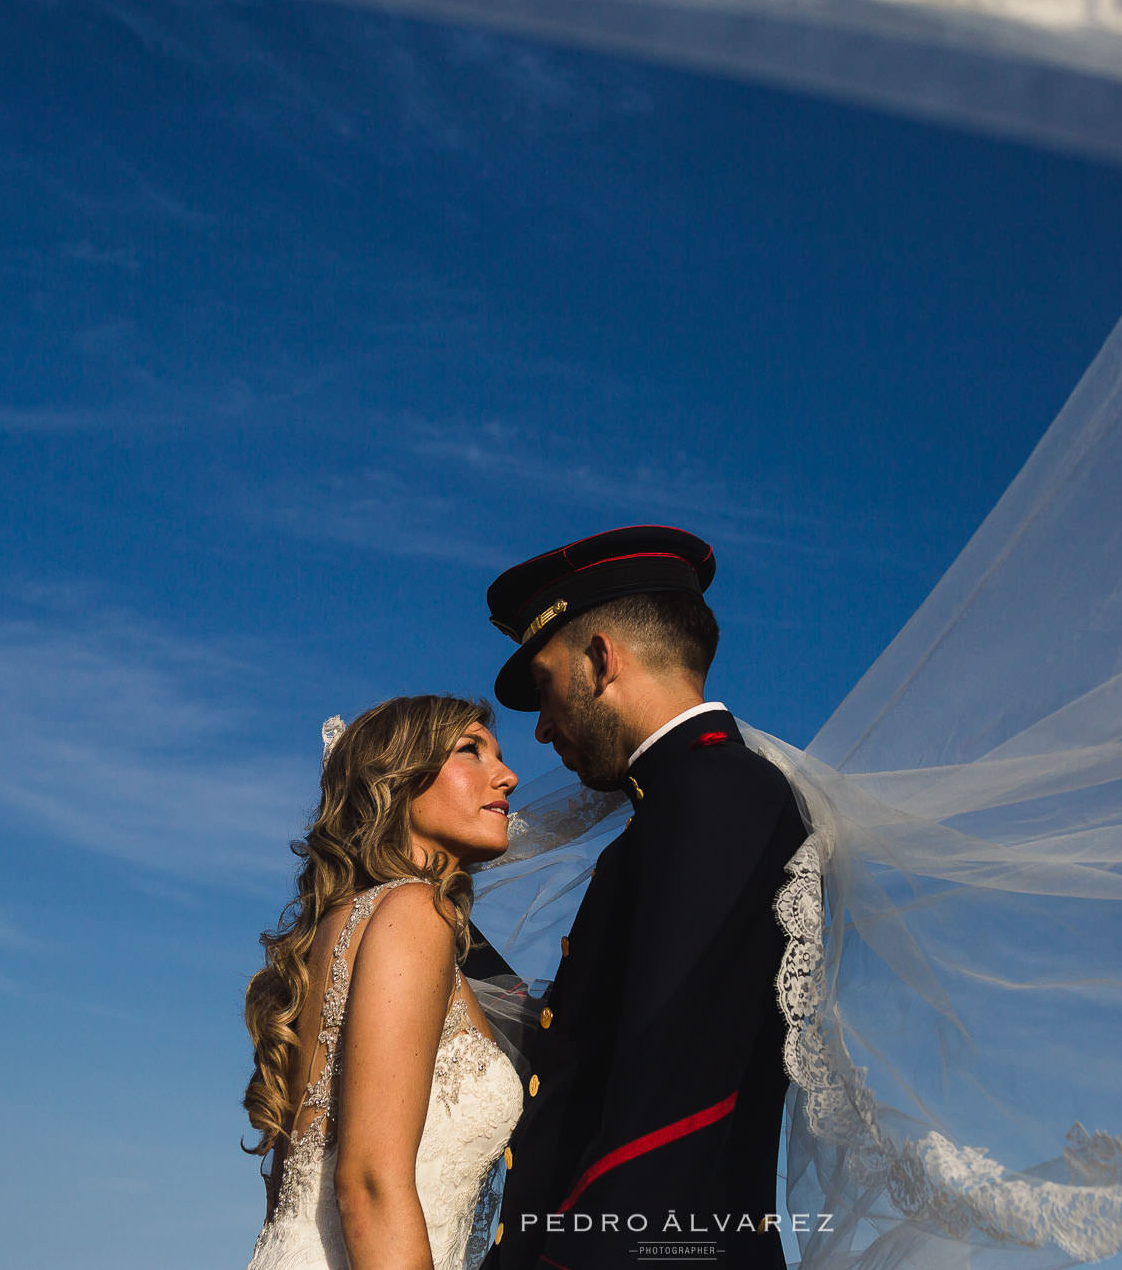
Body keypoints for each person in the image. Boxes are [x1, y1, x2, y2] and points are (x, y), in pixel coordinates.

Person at [479, 526, 811, 1270]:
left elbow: (667, 1118)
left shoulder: (713, 798)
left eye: (544, 684)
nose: (540, 727)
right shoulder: (689, 797)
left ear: (600, 660)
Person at [244, 694, 527, 1270]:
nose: (509, 776)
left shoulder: (342, 928)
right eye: (470, 750)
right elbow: (370, 1183)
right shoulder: (414, 912)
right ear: (396, 779)